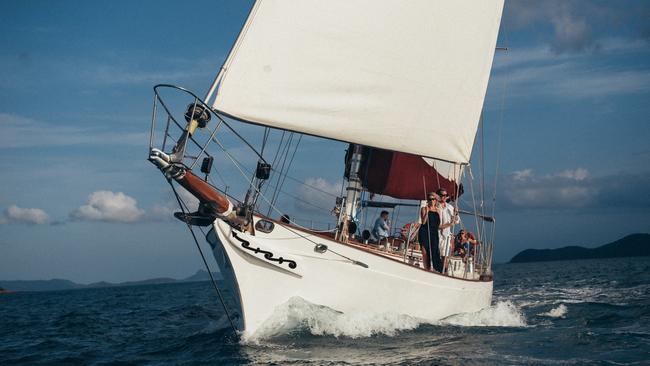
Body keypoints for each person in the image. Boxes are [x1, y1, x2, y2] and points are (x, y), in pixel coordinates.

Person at [418, 193, 443, 272]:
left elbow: (438, 225)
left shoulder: (438, 211)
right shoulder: (424, 209)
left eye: (433, 199)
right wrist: (427, 213)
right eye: (429, 199)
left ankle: (436, 269)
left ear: (435, 201)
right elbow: (424, 222)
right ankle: (426, 269)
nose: (431, 201)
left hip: (434, 233)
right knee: (425, 252)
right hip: (424, 232)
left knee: (434, 251)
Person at [436, 188, 459, 273]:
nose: (444, 197)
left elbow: (456, 220)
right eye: (442, 195)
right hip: (436, 235)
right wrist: (449, 224)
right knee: (437, 255)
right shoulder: (434, 207)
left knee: (445, 257)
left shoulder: (450, 207)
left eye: (445, 195)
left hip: (446, 236)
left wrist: (456, 214)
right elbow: (436, 225)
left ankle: (444, 273)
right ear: (438, 196)